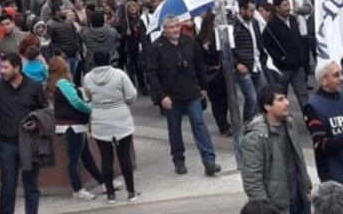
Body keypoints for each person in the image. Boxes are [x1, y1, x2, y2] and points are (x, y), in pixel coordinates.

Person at [145, 15, 219, 176]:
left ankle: (209, 160)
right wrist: (161, 96)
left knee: (199, 124)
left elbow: (199, 65)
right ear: (164, 30)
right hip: (171, 95)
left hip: (192, 91)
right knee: (175, 129)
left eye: (177, 26)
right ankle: (178, 159)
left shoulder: (190, 42)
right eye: (171, 27)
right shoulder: (156, 47)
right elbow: (152, 75)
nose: (175, 30)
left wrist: (204, 87)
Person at [0, 52, 48, 214]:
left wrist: (37, 123)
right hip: (6, 143)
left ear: (17, 68)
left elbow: (45, 110)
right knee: (7, 185)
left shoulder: (34, 86)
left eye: (6, 67)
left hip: (29, 142)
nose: (2, 71)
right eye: (2, 67)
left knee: (31, 185)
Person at [239, 86, 311, 214]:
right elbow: (253, 182)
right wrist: (266, 210)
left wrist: (307, 187)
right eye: (280, 100)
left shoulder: (289, 124)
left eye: (286, 98)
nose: (287, 103)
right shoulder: (255, 137)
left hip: (299, 199)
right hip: (276, 207)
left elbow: (299, 161)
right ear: (267, 106)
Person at [303, 62, 343, 214]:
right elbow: (320, 144)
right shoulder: (313, 107)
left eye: (341, 74)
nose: (341, 78)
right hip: (334, 175)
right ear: (323, 80)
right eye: (336, 75)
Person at [44, 56, 104, 201]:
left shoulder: (52, 84)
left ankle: (103, 182)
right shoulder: (63, 83)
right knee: (75, 159)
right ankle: (78, 189)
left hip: (66, 126)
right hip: (73, 125)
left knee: (85, 157)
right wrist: (89, 108)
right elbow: (76, 102)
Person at [83, 50, 138, 204]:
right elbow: (132, 94)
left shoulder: (87, 77)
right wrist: (124, 102)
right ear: (109, 60)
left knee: (106, 158)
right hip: (121, 115)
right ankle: (131, 192)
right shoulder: (119, 74)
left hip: (100, 119)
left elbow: (87, 97)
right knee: (124, 156)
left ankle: (110, 194)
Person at [262, 0, 310, 111]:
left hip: (298, 66)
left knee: (303, 96)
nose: (288, 8)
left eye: (288, 5)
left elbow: (298, 39)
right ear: (277, 7)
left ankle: (311, 122)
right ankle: (284, 124)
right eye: (284, 5)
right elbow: (268, 47)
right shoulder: (271, 26)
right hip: (283, 69)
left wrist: (302, 56)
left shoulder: (293, 20)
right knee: (281, 98)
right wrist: (281, 58)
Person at [232, 0, 264, 123]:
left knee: (260, 96)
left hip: (257, 64)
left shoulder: (254, 22)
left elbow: (258, 42)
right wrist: (237, 64)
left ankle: (253, 122)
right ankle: (247, 123)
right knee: (252, 97)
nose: (253, 13)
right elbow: (228, 48)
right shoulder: (235, 25)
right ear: (242, 10)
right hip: (243, 66)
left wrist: (263, 58)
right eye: (251, 11)